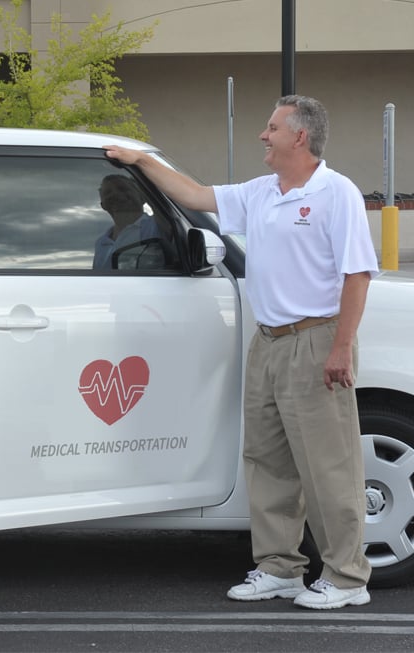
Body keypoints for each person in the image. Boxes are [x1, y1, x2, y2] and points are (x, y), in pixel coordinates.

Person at [105, 95, 378, 610]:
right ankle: (280, 568)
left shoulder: (335, 193)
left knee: (328, 465)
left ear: (299, 136)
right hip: (269, 341)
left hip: (316, 340)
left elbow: (357, 274)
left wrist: (341, 348)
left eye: (271, 127)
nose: (263, 135)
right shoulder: (261, 192)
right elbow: (194, 193)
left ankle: (346, 578)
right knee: (268, 461)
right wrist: (141, 160)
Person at [93, 174, 160, 269]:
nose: (115, 194)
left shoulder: (156, 226)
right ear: (103, 205)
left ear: (143, 198)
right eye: (107, 192)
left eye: (123, 189)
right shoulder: (101, 243)